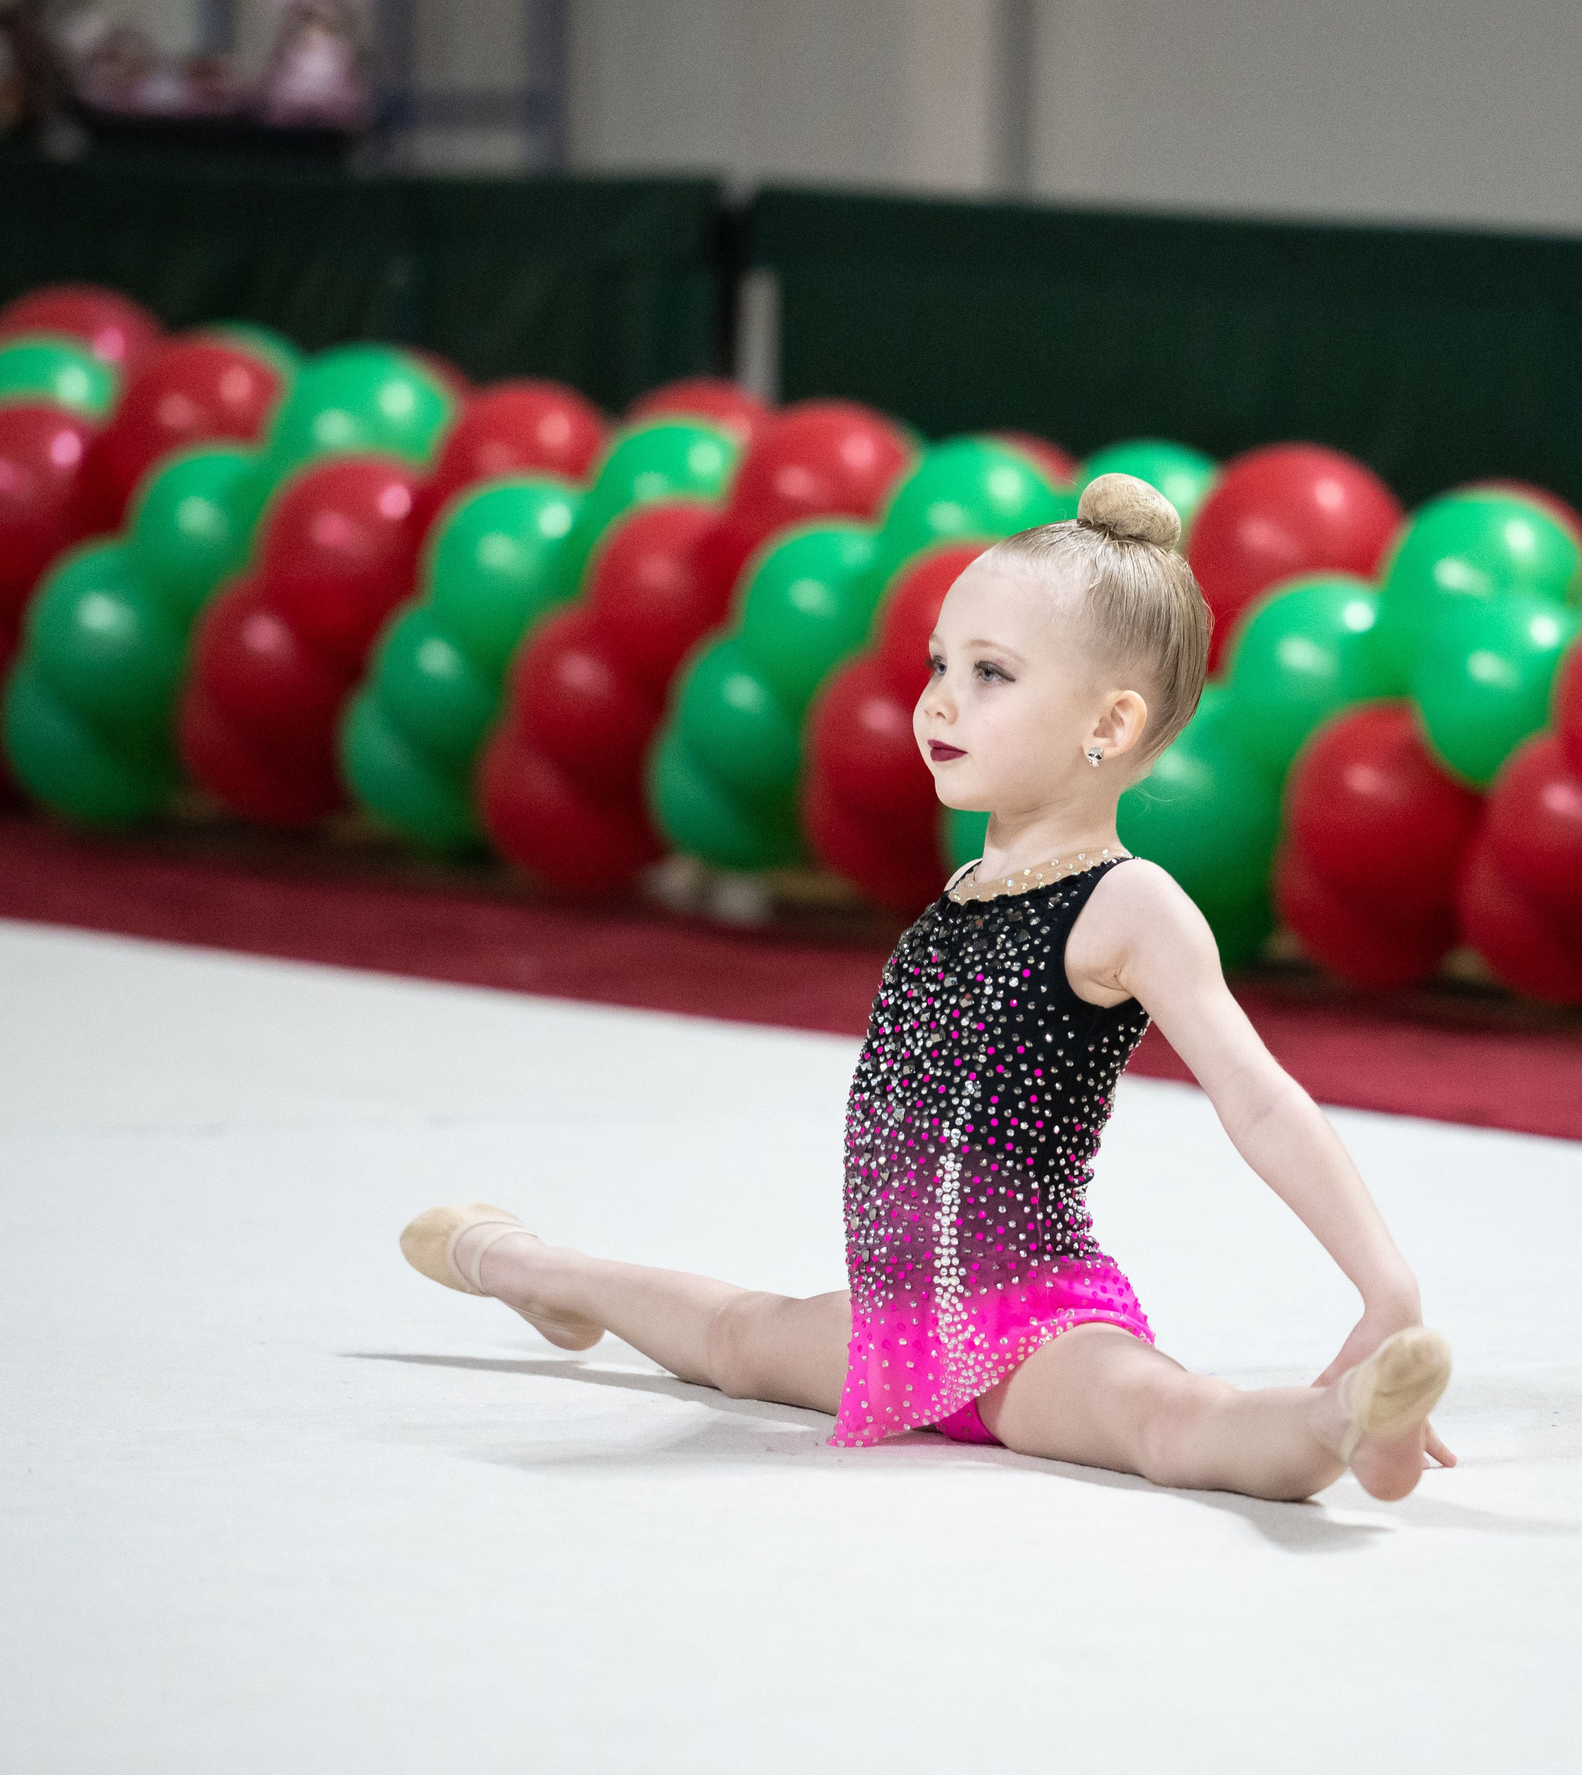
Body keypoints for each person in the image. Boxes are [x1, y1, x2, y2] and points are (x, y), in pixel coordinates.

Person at [400, 471, 1454, 1503]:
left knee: (1162, 1419)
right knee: (733, 1334)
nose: (941, 697)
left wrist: (1386, 1286)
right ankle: (523, 1265)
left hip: (1037, 1323)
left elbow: (1261, 1100)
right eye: (939, 661)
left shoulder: (1128, 903)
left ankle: (1343, 1420)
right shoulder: (969, 886)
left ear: (1109, 725)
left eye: (992, 673)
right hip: (893, 1323)